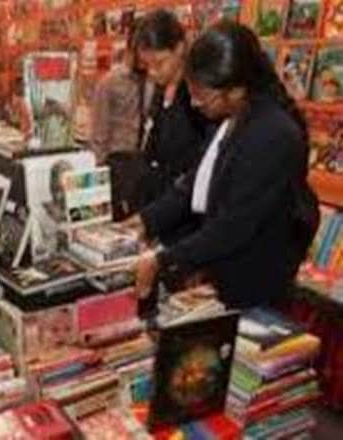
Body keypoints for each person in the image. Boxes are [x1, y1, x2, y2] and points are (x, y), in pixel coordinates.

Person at [126, 21, 319, 310]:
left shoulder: (273, 134)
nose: (194, 103)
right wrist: (146, 220)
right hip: (224, 274)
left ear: (236, 89)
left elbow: (234, 225)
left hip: (256, 283)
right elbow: (196, 183)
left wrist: (162, 260)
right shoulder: (233, 117)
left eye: (202, 95)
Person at [133, 9, 210, 212]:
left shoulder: (198, 95)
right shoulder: (159, 90)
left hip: (184, 209)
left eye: (159, 63)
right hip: (155, 202)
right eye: (147, 65)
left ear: (180, 48)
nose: (152, 72)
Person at [91, 36, 153, 220]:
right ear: (131, 50)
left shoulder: (153, 80)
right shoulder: (109, 83)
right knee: (120, 217)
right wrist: (99, 174)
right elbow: (99, 130)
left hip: (145, 160)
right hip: (118, 161)